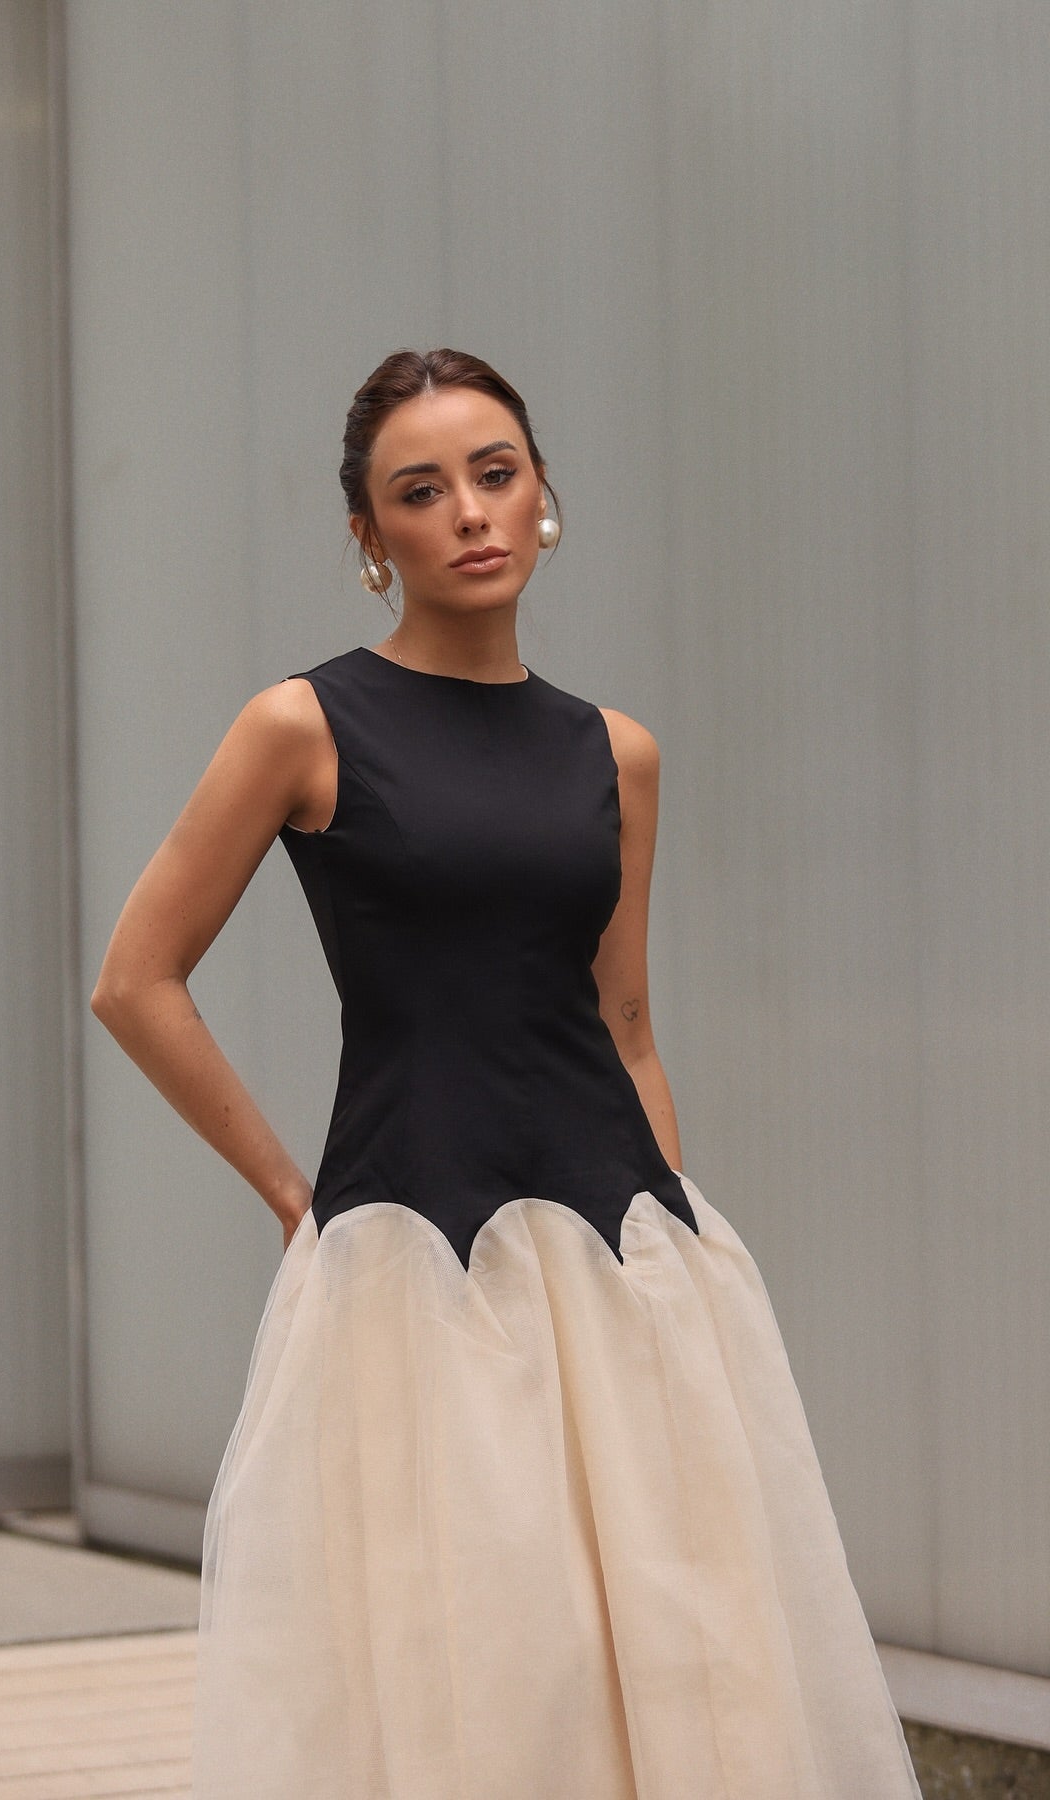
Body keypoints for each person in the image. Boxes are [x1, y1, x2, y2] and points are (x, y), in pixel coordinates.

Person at [91, 348, 923, 1798]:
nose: (470, 512)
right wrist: (292, 1196)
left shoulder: (617, 752)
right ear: (370, 536)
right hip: (412, 1256)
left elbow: (628, 1021)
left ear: (544, 495)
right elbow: (134, 980)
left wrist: (671, 1262)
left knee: (672, 1650)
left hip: (622, 1254)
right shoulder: (303, 726)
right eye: (421, 491)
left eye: (496, 474)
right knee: (475, 1658)